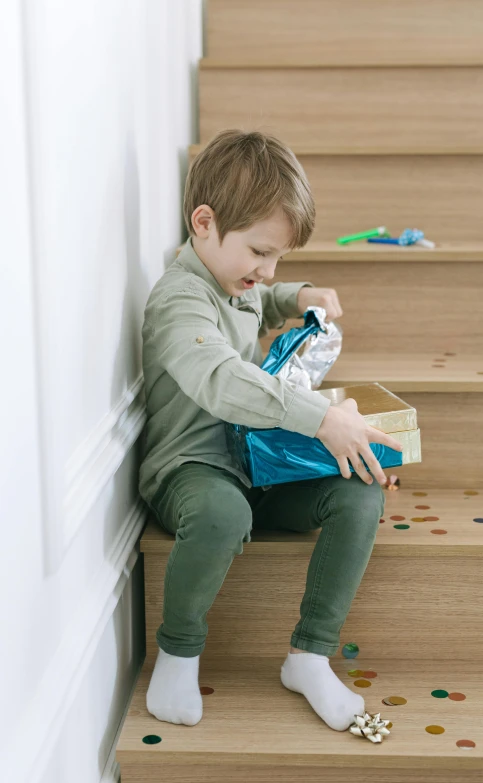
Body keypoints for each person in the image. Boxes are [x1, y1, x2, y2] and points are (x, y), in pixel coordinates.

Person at [139, 129, 403, 731]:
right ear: (202, 222)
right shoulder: (178, 300)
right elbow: (219, 377)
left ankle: (310, 656)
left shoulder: (240, 278)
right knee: (224, 515)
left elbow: (260, 297)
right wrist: (322, 418)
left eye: (278, 257)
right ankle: (178, 653)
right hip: (193, 468)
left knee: (358, 489)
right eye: (261, 253)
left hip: (253, 460)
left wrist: (295, 293)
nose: (268, 269)